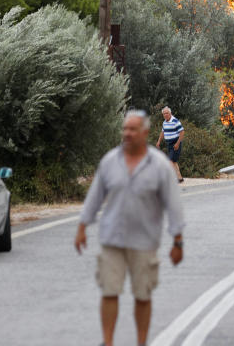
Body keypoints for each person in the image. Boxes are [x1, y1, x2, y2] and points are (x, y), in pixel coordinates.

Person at [75, 110, 185, 346]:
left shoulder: (159, 166)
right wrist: (82, 226)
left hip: (144, 242)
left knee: (142, 295)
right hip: (112, 239)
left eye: (133, 129)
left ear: (144, 133)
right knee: (109, 290)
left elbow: (174, 205)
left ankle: (142, 342)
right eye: (125, 129)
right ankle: (108, 342)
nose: (127, 133)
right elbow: (94, 197)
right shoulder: (110, 161)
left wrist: (178, 241)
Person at [156, 106, 185, 183]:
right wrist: (159, 141)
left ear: (170, 113)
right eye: (164, 114)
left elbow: (182, 132)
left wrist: (177, 143)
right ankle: (180, 178)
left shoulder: (175, 121)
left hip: (175, 143)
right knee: (174, 161)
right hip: (169, 144)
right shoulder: (164, 122)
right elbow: (163, 132)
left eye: (167, 113)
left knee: (170, 161)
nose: (165, 115)